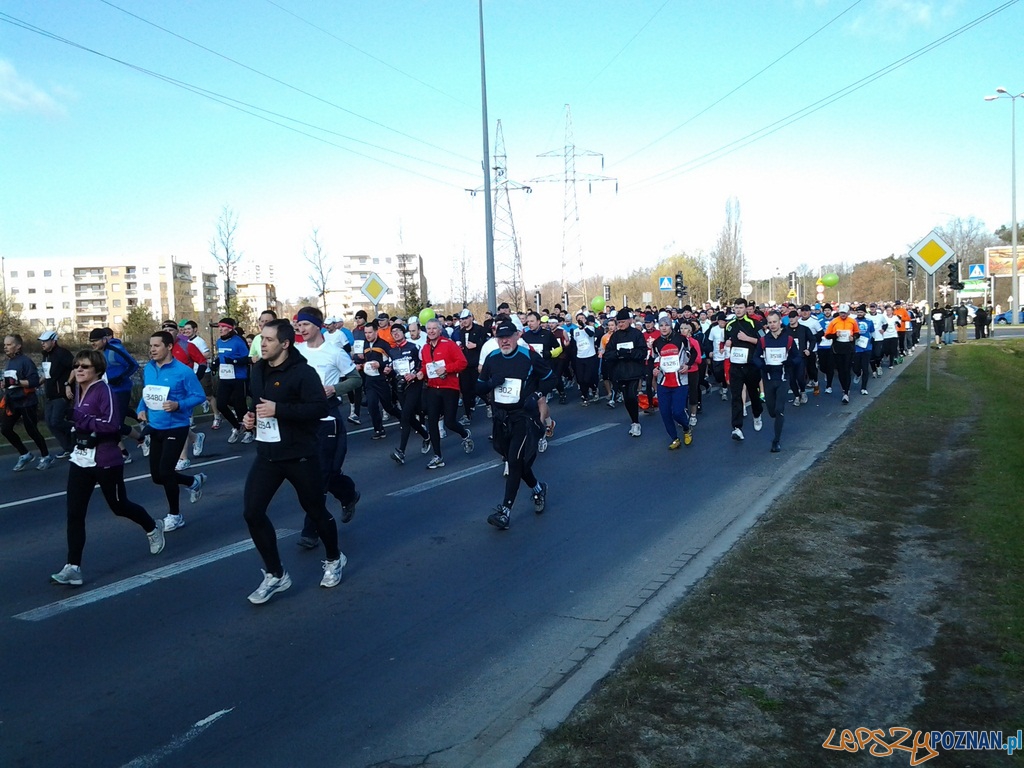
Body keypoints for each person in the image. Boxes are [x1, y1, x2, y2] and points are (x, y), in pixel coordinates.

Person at [240, 319, 347, 604]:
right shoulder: (258, 370)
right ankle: (276, 574)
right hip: (268, 453)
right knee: (252, 512)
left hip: (299, 454)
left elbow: (319, 409)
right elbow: (257, 404)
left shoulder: (303, 373)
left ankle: (334, 558)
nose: (262, 344)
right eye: (261, 338)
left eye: (269, 340)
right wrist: (251, 418)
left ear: (285, 344)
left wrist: (280, 409)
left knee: (315, 510)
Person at [50, 349, 165, 587]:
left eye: (85, 366)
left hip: (105, 460)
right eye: (76, 366)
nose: (79, 370)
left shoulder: (105, 391)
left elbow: (112, 425)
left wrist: (78, 418)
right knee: (74, 514)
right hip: (81, 459)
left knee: (119, 506)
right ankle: (73, 567)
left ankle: (152, 527)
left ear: (98, 370)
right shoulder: (78, 390)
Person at [293, 307, 362, 549]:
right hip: (303, 417)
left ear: (318, 326)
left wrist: (335, 389)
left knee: (321, 472)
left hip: (327, 415)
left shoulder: (334, 352)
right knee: (314, 472)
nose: (301, 329)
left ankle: (310, 530)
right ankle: (348, 494)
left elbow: (355, 379)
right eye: (299, 325)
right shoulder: (297, 351)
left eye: (305, 324)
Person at [476, 319, 554, 530]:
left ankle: (505, 511)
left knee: (513, 462)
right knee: (518, 464)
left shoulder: (528, 356)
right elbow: (479, 387)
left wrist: (536, 395)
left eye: (508, 337)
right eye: (500, 338)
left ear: (517, 336)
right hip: (501, 418)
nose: (504, 341)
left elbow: (550, 378)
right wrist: (491, 383)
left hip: (523, 418)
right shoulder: (492, 358)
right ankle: (538, 489)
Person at [136, 331, 208, 533]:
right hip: (155, 426)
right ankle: (193, 481)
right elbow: (147, 393)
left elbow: (199, 396)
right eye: (150, 346)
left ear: (169, 347)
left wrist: (179, 405)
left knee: (166, 472)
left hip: (176, 427)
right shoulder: (149, 368)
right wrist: (141, 408)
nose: (152, 349)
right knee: (157, 477)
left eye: (156, 345)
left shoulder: (183, 371)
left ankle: (175, 515)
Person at [420, 318, 474, 469]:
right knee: (432, 422)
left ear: (440, 330)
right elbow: (425, 366)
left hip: (449, 387)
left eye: (434, 328)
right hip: (432, 388)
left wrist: (447, 369)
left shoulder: (449, 344)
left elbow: (462, 363)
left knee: (450, 422)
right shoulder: (425, 348)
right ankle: (438, 456)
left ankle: (465, 434)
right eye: (429, 329)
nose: (431, 331)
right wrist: (420, 373)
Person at [89, 327, 141, 462]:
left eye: (95, 341)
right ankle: (124, 453)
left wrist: (120, 378)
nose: (93, 344)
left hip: (121, 390)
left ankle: (141, 439)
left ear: (104, 340)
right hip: (106, 392)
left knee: (116, 425)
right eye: (91, 341)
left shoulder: (114, 350)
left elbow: (133, 365)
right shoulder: (95, 354)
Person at [2, 334, 54, 470]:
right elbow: (10, 382)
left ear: (18, 346)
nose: (5, 347)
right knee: (5, 429)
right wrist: (5, 384)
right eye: (5, 345)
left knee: (32, 431)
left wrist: (16, 382)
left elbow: (34, 382)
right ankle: (25, 454)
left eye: (9, 344)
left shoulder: (26, 361)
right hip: (12, 402)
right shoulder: (10, 362)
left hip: (27, 402)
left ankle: (46, 456)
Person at [387, 323, 433, 465]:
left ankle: (401, 451)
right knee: (410, 416)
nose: (396, 334)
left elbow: (423, 363)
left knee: (405, 416)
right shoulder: (392, 351)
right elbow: (391, 367)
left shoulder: (414, 347)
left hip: (414, 385)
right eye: (393, 332)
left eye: (398, 331)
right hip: (400, 386)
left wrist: (414, 374)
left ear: (404, 333)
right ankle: (426, 435)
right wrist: (388, 371)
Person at [756, 310, 800, 453]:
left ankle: (776, 441)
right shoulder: (763, 340)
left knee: (779, 409)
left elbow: (798, 357)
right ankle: (777, 418)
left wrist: (790, 362)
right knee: (771, 411)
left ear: (780, 321)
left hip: (782, 378)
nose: (772, 325)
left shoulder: (788, 339)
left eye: (775, 322)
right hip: (768, 379)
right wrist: (762, 365)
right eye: (770, 322)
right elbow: (755, 357)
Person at [605, 308, 648, 437]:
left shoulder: (637, 334)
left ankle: (636, 423)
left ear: (629, 321)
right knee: (627, 399)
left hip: (634, 371)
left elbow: (643, 352)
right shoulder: (615, 336)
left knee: (631, 396)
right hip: (620, 372)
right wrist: (618, 354)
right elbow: (608, 354)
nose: (621, 325)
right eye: (619, 322)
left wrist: (629, 352)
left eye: (623, 322)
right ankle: (634, 421)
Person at [725, 299, 764, 441]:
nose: (738, 310)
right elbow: (727, 341)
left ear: (746, 308)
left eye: (741, 307)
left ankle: (757, 415)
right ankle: (737, 428)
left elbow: (763, 341)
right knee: (736, 396)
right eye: (736, 308)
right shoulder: (729, 325)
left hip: (750, 365)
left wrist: (747, 338)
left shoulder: (755, 323)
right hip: (736, 366)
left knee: (753, 394)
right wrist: (728, 343)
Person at [651, 316, 692, 449]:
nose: (664, 328)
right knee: (665, 412)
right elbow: (655, 359)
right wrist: (655, 369)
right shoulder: (656, 343)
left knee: (678, 412)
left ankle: (686, 428)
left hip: (680, 382)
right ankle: (674, 438)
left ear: (671, 326)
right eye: (661, 325)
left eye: (666, 325)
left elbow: (694, 353)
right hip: (663, 382)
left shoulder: (681, 339)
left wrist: (688, 365)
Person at [213, 318, 254, 444]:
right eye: (219, 327)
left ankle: (249, 431)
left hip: (238, 378)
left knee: (240, 405)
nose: (220, 329)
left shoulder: (238, 341)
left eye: (223, 327)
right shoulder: (219, 342)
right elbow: (221, 357)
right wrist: (215, 363)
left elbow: (248, 359)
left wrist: (234, 361)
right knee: (221, 404)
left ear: (231, 328)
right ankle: (237, 426)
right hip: (224, 377)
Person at [38, 330, 76, 459]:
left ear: (53, 341)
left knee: (56, 421)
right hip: (50, 395)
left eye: (45, 341)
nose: (42, 343)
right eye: (41, 341)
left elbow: (75, 368)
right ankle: (69, 448)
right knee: (50, 423)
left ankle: (80, 428)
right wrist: (36, 383)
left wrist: (68, 384)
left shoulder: (62, 353)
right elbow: (47, 374)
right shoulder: (46, 355)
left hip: (61, 395)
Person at [452, 308, 487, 425]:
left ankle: (489, 404)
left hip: (476, 364)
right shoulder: (461, 331)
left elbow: (487, 344)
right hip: (465, 365)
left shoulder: (479, 329)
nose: (464, 321)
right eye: (462, 319)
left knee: (478, 388)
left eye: (466, 318)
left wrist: (476, 345)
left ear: (471, 318)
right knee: (465, 390)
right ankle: (467, 414)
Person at [823, 303, 860, 404]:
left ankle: (846, 392)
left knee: (847, 370)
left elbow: (857, 333)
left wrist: (854, 337)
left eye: (844, 313)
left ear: (848, 313)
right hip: (837, 349)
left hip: (849, 348)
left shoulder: (852, 321)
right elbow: (827, 335)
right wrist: (835, 335)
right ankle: (844, 388)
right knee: (840, 370)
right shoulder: (834, 321)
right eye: (841, 313)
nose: (843, 315)